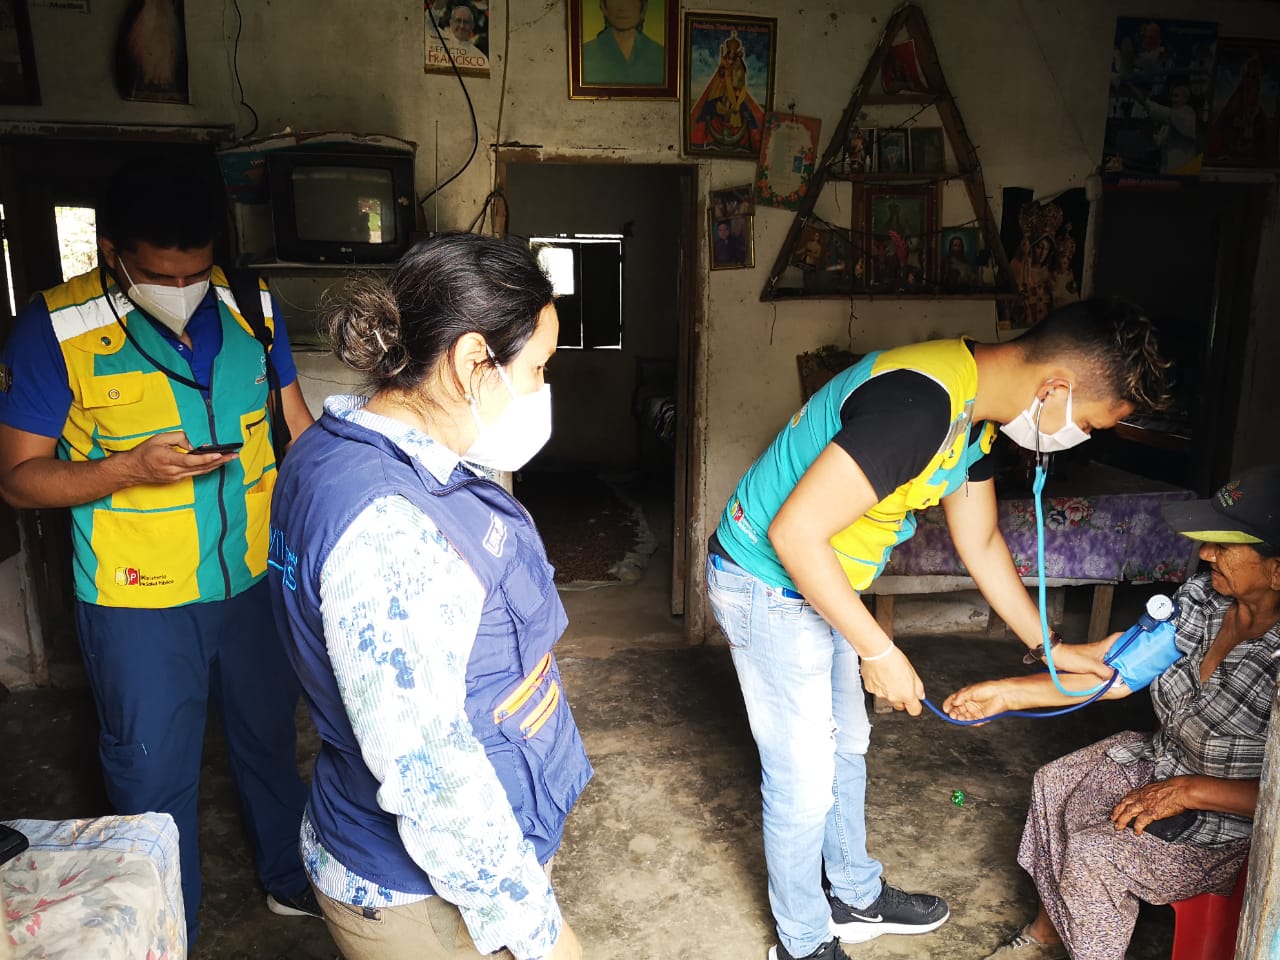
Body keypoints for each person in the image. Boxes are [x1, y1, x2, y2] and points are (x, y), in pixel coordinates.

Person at [705, 299, 1173, 960]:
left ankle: (853, 894)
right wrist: (878, 649)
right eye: (1090, 424)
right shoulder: (920, 406)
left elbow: (980, 541)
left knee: (846, 745)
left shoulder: (974, 416)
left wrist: (1053, 648)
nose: (1082, 438)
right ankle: (803, 943)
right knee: (802, 778)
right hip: (768, 579)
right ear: (1055, 390)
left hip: (818, 579)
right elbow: (794, 533)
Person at [0, 158, 318, 941]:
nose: (181, 290)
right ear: (113, 251)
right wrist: (127, 470)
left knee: (271, 744)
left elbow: (297, 430)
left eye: (196, 273)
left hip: (253, 582)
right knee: (151, 772)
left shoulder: (252, 306)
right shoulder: (55, 328)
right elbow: (18, 480)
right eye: (159, 275)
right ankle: (167, 928)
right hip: (136, 602)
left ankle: (288, 878)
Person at [267, 232, 590, 960]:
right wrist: (539, 933)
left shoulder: (334, 447)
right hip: (419, 896)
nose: (542, 390)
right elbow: (429, 771)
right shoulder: (390, 528)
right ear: (474, 361)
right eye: (537, 368)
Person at [946, 464, 1280, 960]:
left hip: (1229, 825)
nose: (1207, 553)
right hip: (1165, 759)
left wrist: (1190, 791)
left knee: (1093, 853)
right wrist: (1008, 694)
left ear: (1277, 570)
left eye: (1224, 546)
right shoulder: (1203, 600)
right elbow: (1118, 675)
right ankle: (1050, 929)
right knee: (1055, 782)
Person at [581, 0, 663, 86]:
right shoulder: (585, 54)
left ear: (643, 6)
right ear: (603, 6)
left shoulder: (660, 55)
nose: (623, 8)